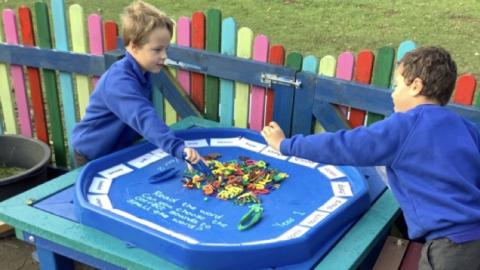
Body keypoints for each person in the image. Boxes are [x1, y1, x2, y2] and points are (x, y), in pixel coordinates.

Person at [261, 47, 480, 269]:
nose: (392, 93)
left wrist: (285, 144)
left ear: (415, 86)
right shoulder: (466, 128)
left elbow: (344, 145)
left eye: (397, 85)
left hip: (450, 249)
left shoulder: (405, 126)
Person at [72, 1, 201, 167]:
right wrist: (178, 148)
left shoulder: (141, 71)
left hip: (119, 149)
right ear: (133, 46)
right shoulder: (118, 82)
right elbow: (143, 117)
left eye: (165, 49)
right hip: (93, 153)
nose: (164, 56)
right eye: (157, 50)